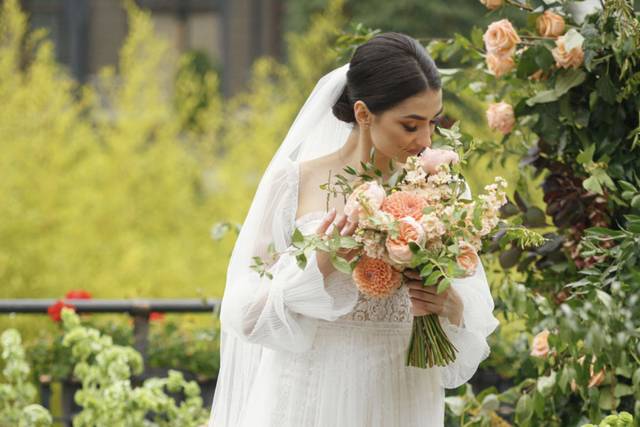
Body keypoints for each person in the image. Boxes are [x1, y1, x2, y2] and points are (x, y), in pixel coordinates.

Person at [208, 32, 499, 427]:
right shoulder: (294, 182)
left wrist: (446, 302)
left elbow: (475, 323)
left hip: (402, 395)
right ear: (364, 114)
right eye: (410, 125)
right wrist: (325, 259)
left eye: (432, 122)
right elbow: (245, 316)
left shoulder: (442, 187)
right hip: (309, 395)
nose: (426, 140)